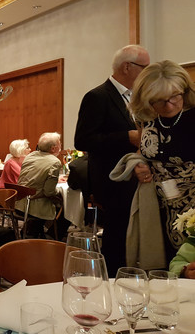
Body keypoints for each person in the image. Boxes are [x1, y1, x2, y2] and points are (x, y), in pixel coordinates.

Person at [74, 44, 150, 275]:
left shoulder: (139, 98)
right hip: (113, 181)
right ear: (127, 67)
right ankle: (114, 282)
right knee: (117, 239)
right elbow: (83, 140)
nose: (147, 73)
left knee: (135, 236)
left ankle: (133, 277)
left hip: (138, 178)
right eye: (145, 67)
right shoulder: (98, 96)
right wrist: (127, 137)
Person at [129, 60, 195, 261]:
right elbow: (144, 151)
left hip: (192, 205)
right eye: (158, 100)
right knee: (166, 262)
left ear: (184, 90)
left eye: (174, 96)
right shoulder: (145, 117)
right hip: (161, 204)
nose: (168, 105)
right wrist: (139, 164)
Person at [15, 132, 62, 238]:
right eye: (59, 143)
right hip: (35, 207)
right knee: (65, 204)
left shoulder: (30, 156)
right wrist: (60, 192)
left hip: (19, 203)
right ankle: (51, 237)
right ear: (53, 148)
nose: (61, 145)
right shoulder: (55, 162)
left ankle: (36, 232)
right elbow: (49, 192)